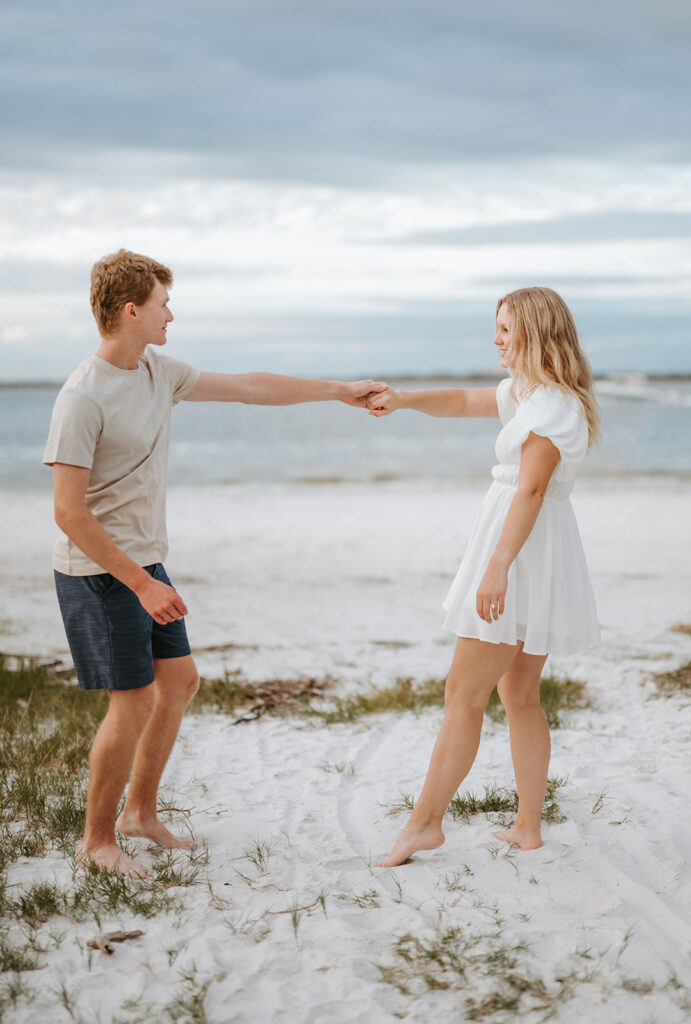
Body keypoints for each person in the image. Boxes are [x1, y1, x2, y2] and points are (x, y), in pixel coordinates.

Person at [44, 248, 386, 878]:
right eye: (162, 304)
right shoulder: (81, 399)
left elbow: (250, 387)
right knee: (134, 700)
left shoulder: (156, 370)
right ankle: (95, 841)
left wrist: (340, 391)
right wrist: (142, 584)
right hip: (101, 571)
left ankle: (139, 816)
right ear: (130, 310)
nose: (170, 314)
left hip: (145, 563)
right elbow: (70, 514)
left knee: (178, 683)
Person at [366, 287, 600, 866]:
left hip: (518, 551)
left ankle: (424, 825)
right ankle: (527, 827)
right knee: (518, 694)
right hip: (535, 550)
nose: (495, 340)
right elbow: (466, 400)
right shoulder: (535, 394)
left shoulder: (549, 408)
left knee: (462, 696)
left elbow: (531, 490)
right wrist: (404, 400)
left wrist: (496, 569)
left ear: (536, 334)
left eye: (504, 329)